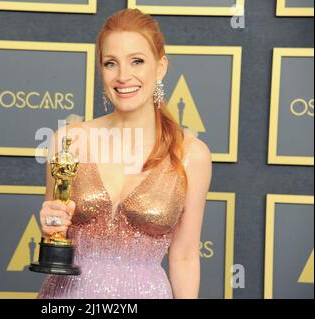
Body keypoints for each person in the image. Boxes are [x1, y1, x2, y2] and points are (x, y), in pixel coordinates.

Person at [37, 8, 212, 299]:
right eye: (110, 63)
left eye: (137, 61)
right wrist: (50, 226)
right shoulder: (68, 142)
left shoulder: (191, 155)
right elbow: (56, 240)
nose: (123, 76)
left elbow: (184, 256)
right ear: (100, 70)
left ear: (160, 67)